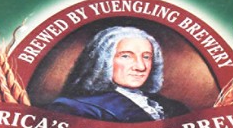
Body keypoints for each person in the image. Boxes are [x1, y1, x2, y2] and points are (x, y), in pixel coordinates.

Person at [47, 26, 189, 122]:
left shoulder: (171, 107)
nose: (141, 67)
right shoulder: (75, 109)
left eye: (146, 57)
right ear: (103, 61)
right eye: (126, 56)